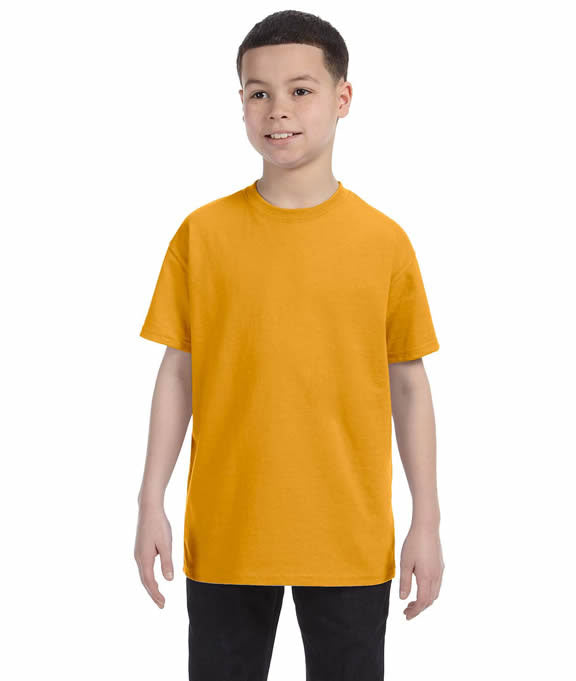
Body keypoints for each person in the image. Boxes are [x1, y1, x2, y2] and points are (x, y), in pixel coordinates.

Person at [134, 9, 444, 680]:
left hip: (348, 537)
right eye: (259, 92)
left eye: (301, 90)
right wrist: (149, 499)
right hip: (228, 532)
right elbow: (178, 372)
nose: (278, 110)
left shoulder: (384, 242)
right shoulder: (202, 235)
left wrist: (427, 519)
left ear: (342, 98)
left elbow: (409, 383)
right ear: (241, 102)